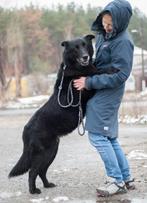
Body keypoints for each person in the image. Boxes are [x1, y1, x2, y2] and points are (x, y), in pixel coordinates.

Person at [74, 0, 135, 197]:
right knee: (109, 137)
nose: (107, 27)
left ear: (121, 22)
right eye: (104, 22)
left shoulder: (123, 42)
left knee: (98, 135)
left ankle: (116, 181)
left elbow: (120, 75)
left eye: (111, 24)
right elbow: (99, 63)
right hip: (101, 88)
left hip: (110, 91)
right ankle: (126, 177)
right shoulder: (104, 35)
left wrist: (89, 83)